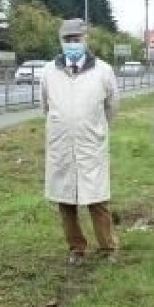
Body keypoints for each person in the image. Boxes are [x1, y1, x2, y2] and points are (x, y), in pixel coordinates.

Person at [41, 18, 119, 265]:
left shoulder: (103, 71)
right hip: (61, 145)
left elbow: (112, 106)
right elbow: (45, 106)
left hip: (90, 143)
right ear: (61, 42)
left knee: (97, 199)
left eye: (77, 39)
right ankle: (76, 247)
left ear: (86, 40)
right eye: (68, 40)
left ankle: (107, 247)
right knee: (65, 200)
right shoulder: (48, 72)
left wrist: (91, 126)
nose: (72, 44)